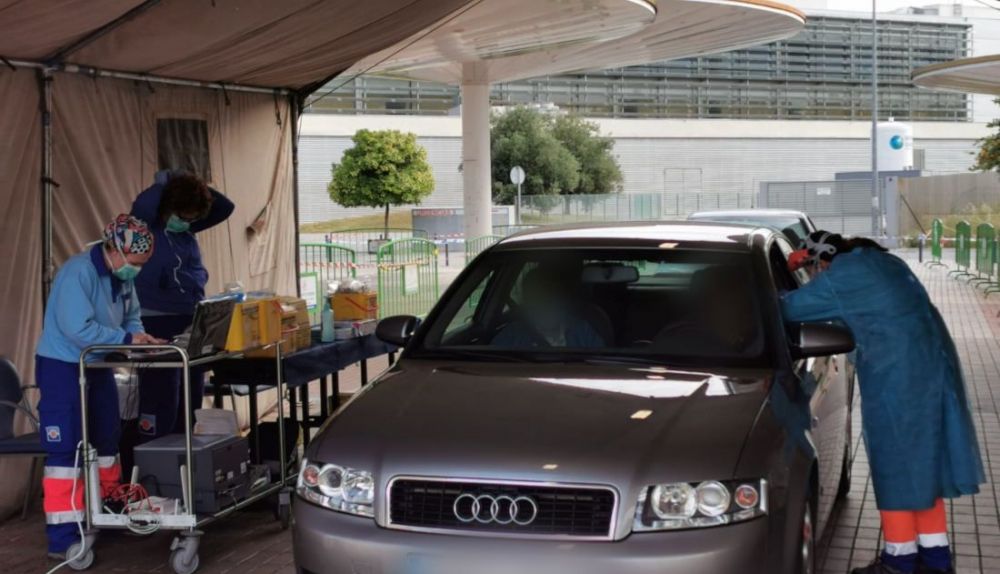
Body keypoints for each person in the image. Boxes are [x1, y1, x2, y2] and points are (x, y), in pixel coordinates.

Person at [781, 231, 984, 574]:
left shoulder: (846, 275)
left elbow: (787, 309)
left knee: (896, 470)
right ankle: (935, 560)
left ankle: (899, 561)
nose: (817, 275)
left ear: (822, 259)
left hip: (900, 385)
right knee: (922, 470)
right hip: (931, 375)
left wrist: (790, 275)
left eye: (816, 268)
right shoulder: (884, 262)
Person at [35, 214, 161, 558]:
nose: (137, 270)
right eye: (135, 262)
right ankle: (64, 535)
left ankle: (108, 511)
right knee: (67, 451)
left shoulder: (121, 278)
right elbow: (77, 328)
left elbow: (131, 317)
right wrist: (125, 339)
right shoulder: (78, 272)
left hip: (98, 363)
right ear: (116, 250)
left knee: (107, 439)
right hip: (63, 366)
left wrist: (140, 338)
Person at [129, 170, 234, 440]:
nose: (186, 223)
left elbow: (225, 207)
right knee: (161, 392)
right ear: (168, 208)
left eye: (192, 219)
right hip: (155, 317)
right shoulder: (147, 224)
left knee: (191, 388)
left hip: (190, 315)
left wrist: (193, 185)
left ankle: (185, 451)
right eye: (183, 217)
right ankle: (153, 451)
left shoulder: (186, 232)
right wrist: (168, 181)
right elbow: (142, 204)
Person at [492, 266, 605, 348]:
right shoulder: (512, 335)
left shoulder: (582, 331)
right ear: (528, 304)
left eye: (549, 297)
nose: (545, 305)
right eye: (537, 299)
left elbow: (602, 364)